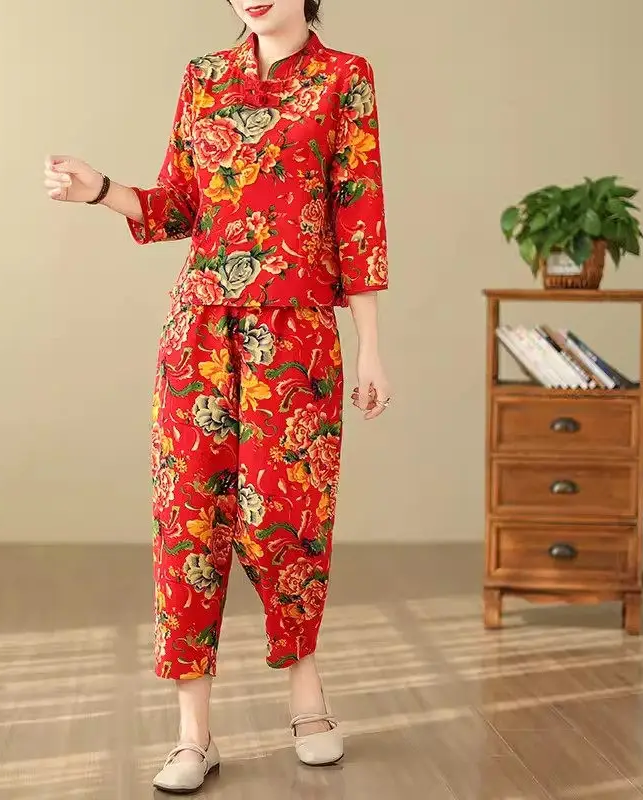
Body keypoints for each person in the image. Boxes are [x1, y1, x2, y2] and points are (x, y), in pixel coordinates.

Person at [43, 0, 390, 792]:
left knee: (288, 519)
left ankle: (307, 697)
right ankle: (192, 734)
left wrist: (371, 344)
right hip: (198, 332)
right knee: (188, 520)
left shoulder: (346, 79)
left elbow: (358, 216)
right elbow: (180, 205)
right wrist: (102, 190)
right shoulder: (204, 77)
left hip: (296, 334)